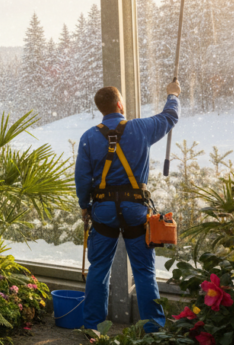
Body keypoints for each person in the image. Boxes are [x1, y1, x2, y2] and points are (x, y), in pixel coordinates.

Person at [76, 80, 180, 333]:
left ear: (102, 109)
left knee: (99, 270)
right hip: (136, 210)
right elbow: (170, 117)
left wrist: (84, 205)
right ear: (120, 104)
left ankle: (93, 329)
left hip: (103, 210)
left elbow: (82, 176)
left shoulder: (90, 136)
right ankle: (153, 329)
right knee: (144, 271)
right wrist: (172, 95)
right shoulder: (141, 128)